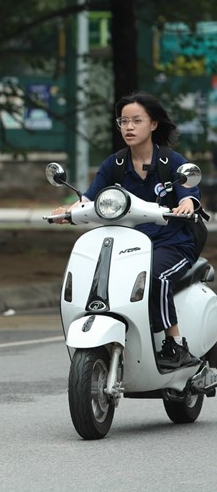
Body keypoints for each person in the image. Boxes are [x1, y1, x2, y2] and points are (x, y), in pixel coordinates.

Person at [51, 91, 202, 370]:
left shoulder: (171, 162)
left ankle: (176, 344)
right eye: (123, 121)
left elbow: (188, 191)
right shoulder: (115, 164)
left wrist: (185, 203)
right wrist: (69, 212)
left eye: (136, 120)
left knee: (155, 276)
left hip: (172, 243)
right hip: (129, 246)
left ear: (153, 124)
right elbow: (90, 199)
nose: (129, 127)